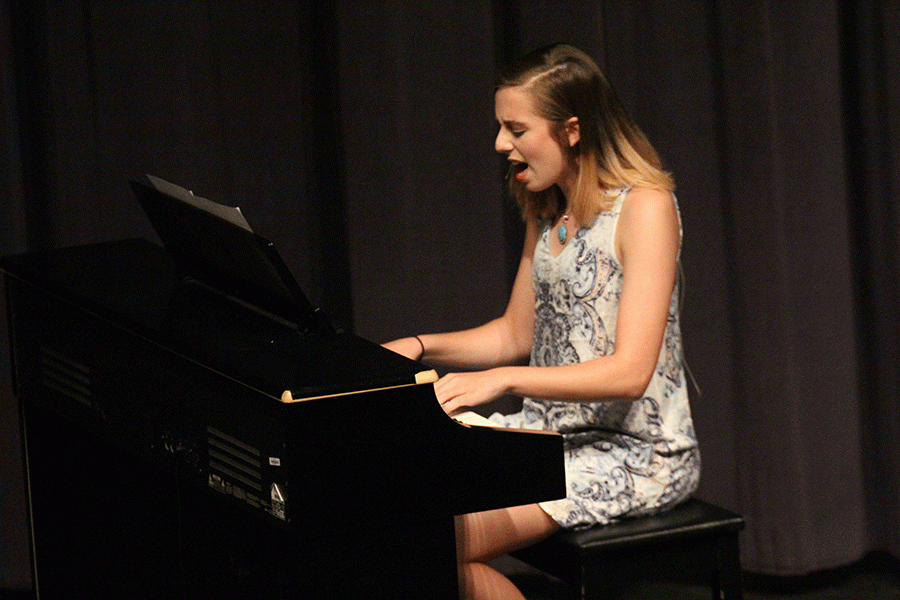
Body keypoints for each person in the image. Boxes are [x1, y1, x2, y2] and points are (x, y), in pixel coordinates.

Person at [384, 44, 700, 600]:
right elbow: (515, 333)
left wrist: (505, 381)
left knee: (419, 540)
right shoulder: (550, 207)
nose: (502, 144)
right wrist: (418, 345)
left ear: (571, 130)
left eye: (516, 129)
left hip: (634, 454)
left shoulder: (644, 206)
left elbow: (630, 373)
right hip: (546, 438)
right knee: (388, 513)